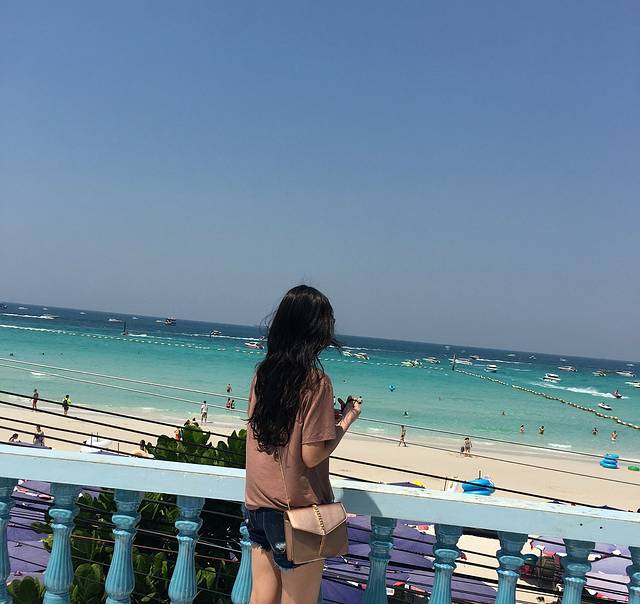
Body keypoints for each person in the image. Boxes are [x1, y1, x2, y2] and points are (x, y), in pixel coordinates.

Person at [245, 285, 361, 604]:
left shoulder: (263, 375)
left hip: (259, 506)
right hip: (297, 514)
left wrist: (326, 422)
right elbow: (311, 455)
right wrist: (345, 421)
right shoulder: (316, 382)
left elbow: (281, 433)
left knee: (261, 596)